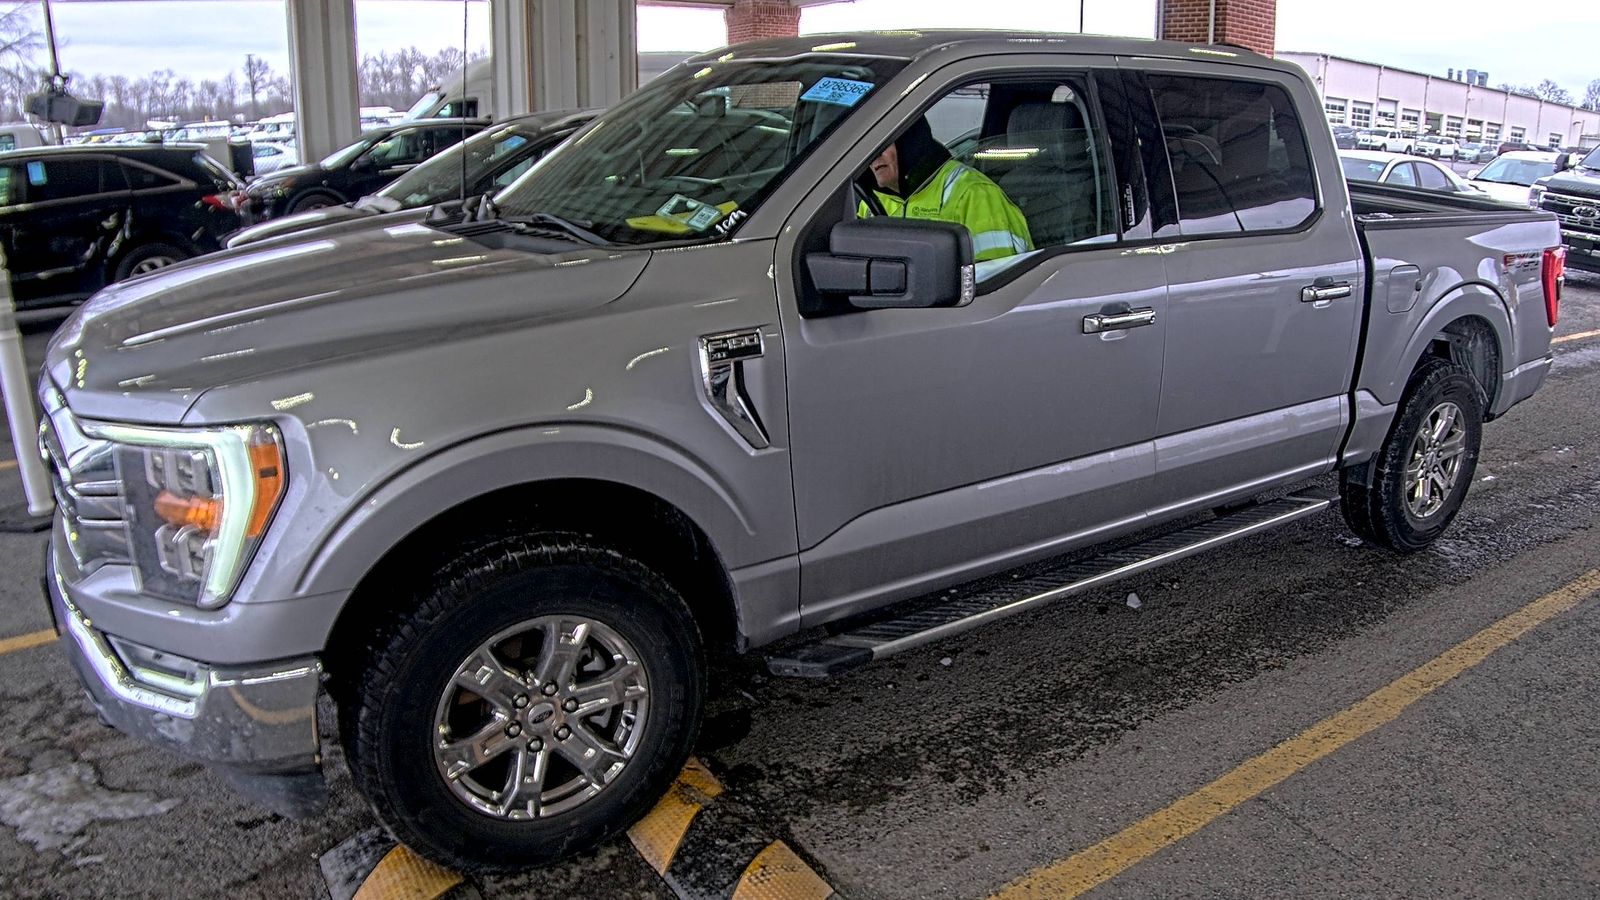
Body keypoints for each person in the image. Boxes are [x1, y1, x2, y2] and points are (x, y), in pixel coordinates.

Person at [859, 116, 1032, 263]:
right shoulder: (870, 200)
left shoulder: (975, 194)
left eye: (884, 145)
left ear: (910, 144)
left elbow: (993, 285)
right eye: (868, 147)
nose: (874, 155)